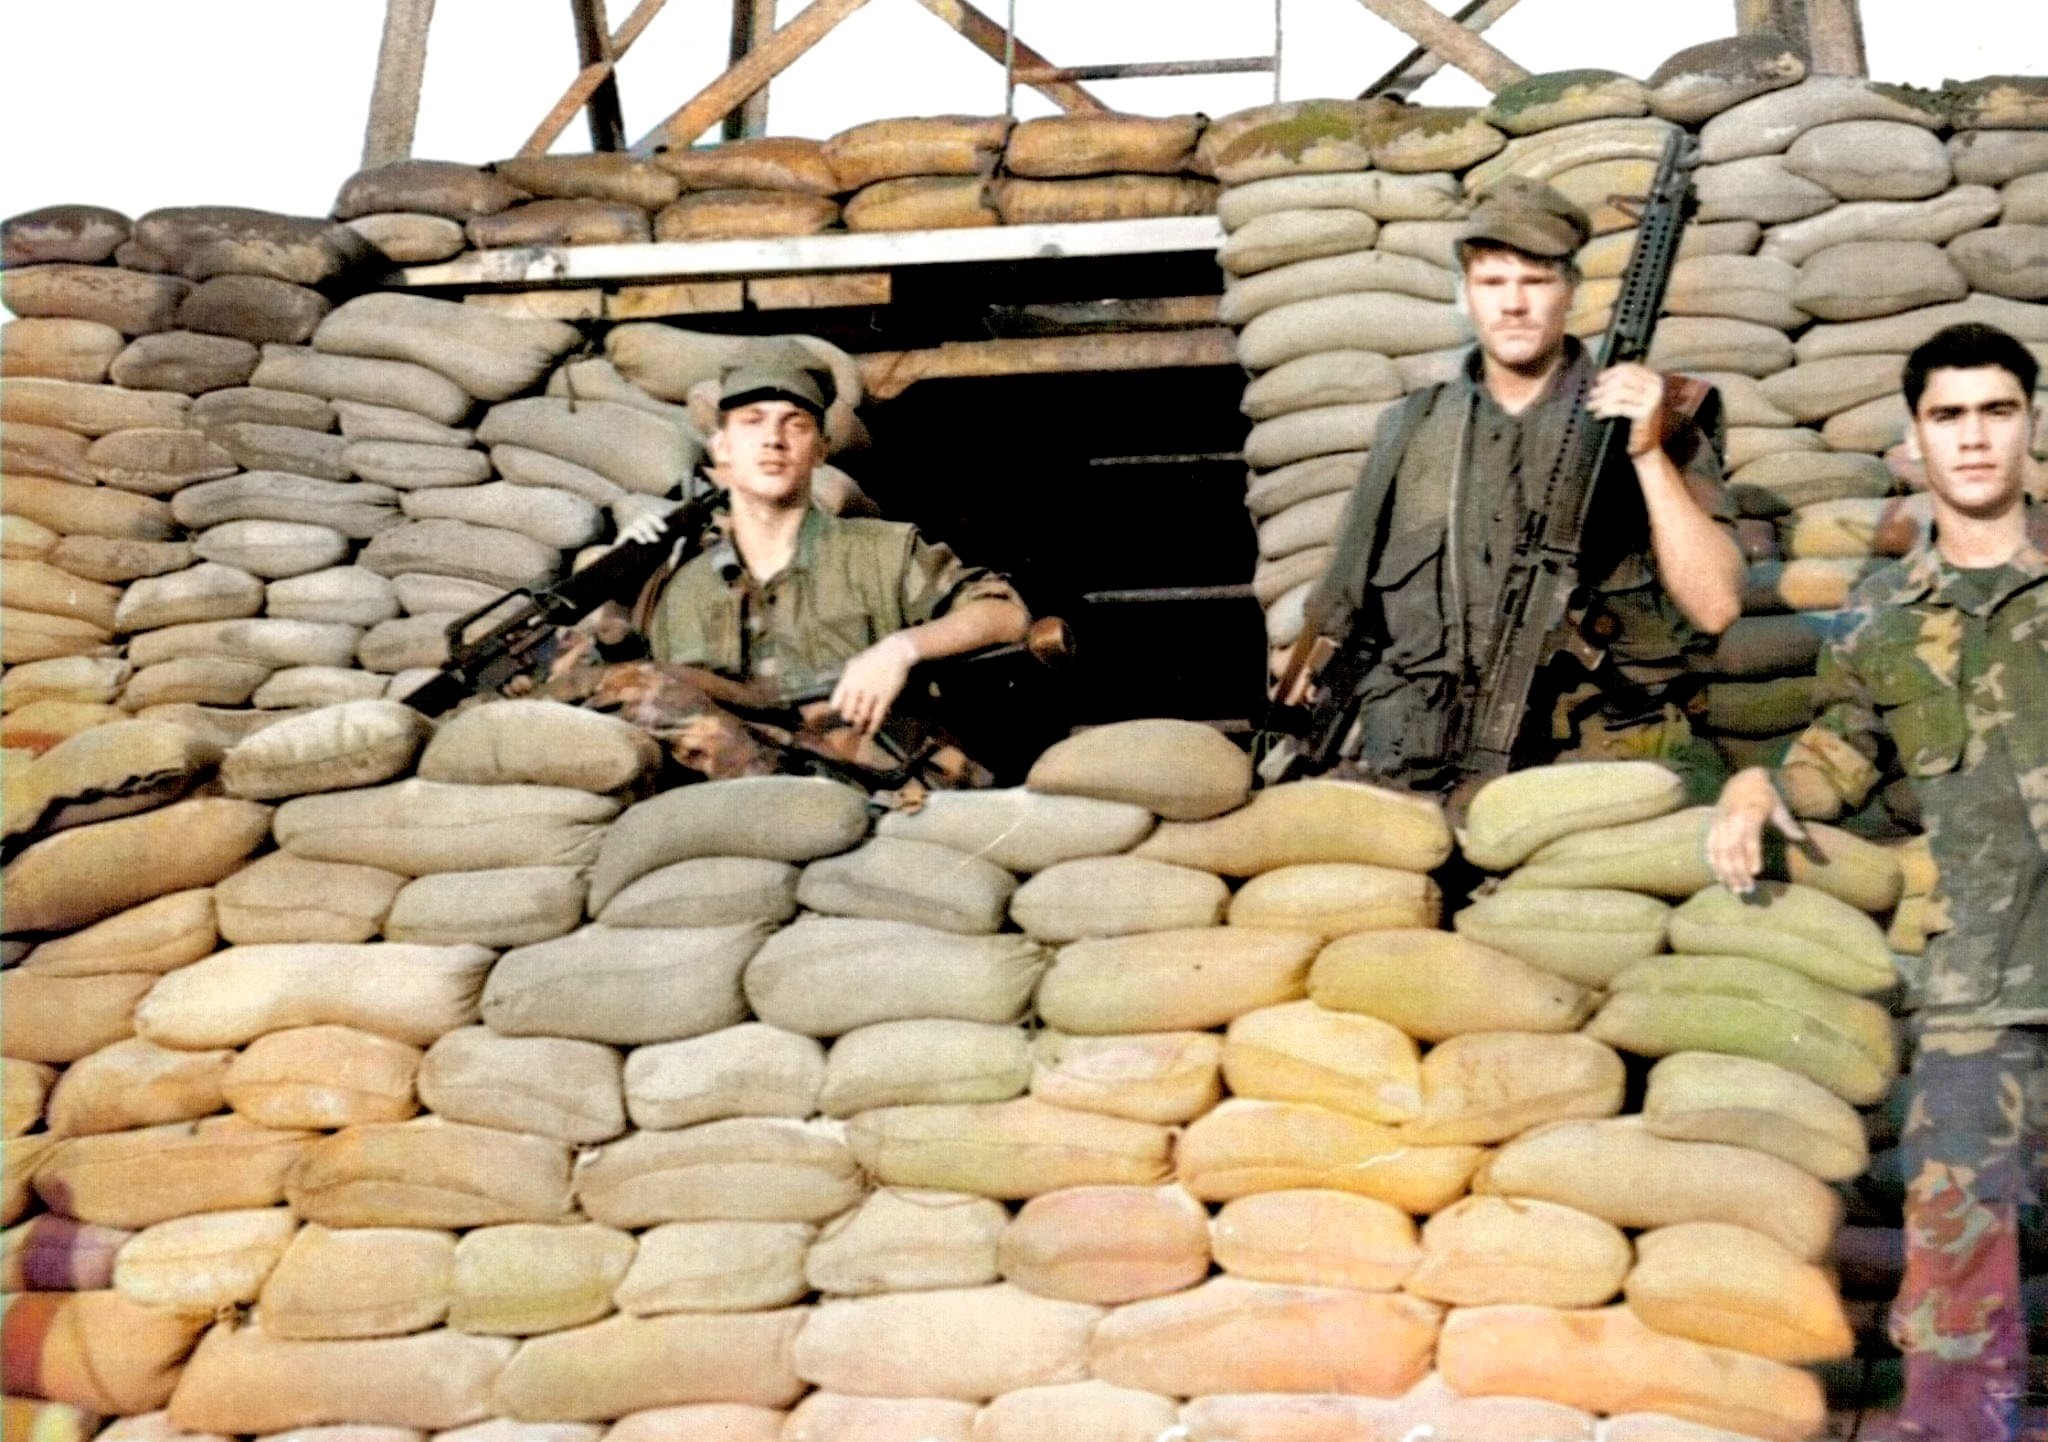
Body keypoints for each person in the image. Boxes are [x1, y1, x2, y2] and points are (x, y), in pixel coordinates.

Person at [1708, 322, 2048, 1442]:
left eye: (1996, 410)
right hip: (1978, 989)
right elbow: (1835, 753)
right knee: (1954, 1276)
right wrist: (1758, 788)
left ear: (2031, 424)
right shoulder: (1882, 621)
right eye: (1949, 415)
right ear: (1915, 438)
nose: (1973, 437)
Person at [1277, 175, 1745, 796]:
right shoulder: (1413, 428)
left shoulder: (1650, 419)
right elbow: (1341, 610)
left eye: (1536, 281)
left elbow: (1716, 605)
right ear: (1465, 295)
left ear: (1571, 290)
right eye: (1493, 283)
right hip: (1419, 764)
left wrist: (1649, 455)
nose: (1514, 304)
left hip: (1597, 766)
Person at [596, 346, 1031, 783]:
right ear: (722, 447)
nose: (773, 439)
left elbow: (1004, 614)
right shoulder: (677, 582)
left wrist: (899, 650)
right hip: (733, 800)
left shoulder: (882, 552)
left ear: (821, 449)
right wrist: (627, 576)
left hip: (878, 785)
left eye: (795, 424)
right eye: (752, 422)